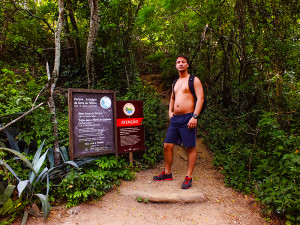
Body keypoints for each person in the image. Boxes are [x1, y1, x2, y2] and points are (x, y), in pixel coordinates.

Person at [153, 54, 204, 189]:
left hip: (188, 118)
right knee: (167, 146)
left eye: (183, 62)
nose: (180, 64)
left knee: (190, 147)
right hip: (175, 119)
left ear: (187, 65)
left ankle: (188, 177)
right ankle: (167, 173)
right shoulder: (175, 82)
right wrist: (170, 112)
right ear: (176, 66)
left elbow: (200, 98)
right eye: (178, 62)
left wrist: (195, 116)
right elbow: (172, 98)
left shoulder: (194, 80)